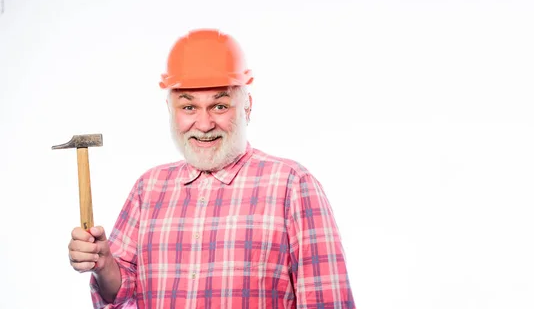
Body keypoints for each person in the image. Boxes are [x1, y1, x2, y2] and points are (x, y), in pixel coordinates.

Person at [67, 28, 355, 308]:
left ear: (247, 107)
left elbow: (327, 301)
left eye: (219, 106)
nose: (204, 125)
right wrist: (104, 265)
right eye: (189, 107)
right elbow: (122, 292)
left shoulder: (292, 185)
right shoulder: (149, 188)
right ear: (171, 110)